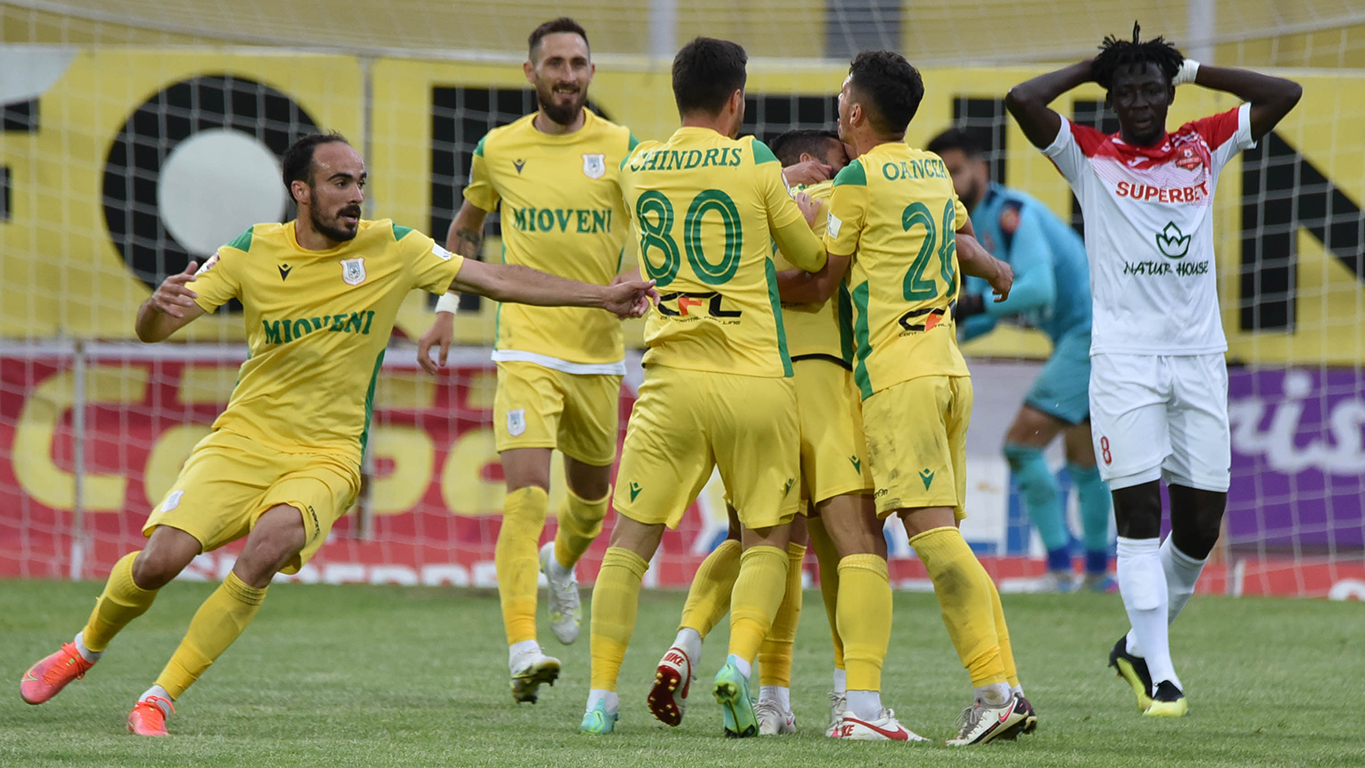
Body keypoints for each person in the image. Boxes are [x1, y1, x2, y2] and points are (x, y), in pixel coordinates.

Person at [18, 133, 655, 736]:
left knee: (265, 552)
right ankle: (83, 648)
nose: (356, 195)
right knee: (160, 563)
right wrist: (156, 308)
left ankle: (158, 698)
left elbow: (498, 277)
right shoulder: (253, 250)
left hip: (328, 455)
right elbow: (153, 332)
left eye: (361, 183)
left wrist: (600, 295)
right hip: (241, 440)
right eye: (340, 182)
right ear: (301, 191)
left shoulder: (393, 247)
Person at [1004, 22, 1301, 716]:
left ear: (1169, 96)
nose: (1138, 100)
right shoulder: (1088, 154)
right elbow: (1022, 99)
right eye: (1126, 90)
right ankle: (1162, 675)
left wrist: (1188, 67)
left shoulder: (1202, 143)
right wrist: (1094, 66)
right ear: (1109, 102)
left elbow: (1285, 92)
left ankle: (1138, 645)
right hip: (1125, 361)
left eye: (1151, 88)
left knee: (1199, 528)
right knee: (1137, 516)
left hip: (1200, 359)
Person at [578, 37, 828, 738]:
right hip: (754, 380)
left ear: (677, 94)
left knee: (628, 545)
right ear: (737, 100)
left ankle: (600, 698)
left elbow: (701, 186)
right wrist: (803, 204)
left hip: (669, 384)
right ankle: (739, 666)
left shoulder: (637, 165)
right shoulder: (753, 160)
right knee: (767, 540)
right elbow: (808, 259)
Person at [781, 51, 1033, 745]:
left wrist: (741, 291)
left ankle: (995, 692)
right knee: (943, 531)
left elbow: (820, 281)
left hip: (898, 377)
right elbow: (960, 240)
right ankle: (1005, 686)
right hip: (949, 369)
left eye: (841, 99)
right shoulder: (927, 167)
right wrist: (995, 267)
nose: (838, 109)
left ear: (856, 112)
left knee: (935, 538)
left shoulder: (858, 180)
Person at [416, 17, 639, 704]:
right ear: (531, 72)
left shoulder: (623, 149)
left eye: (578, 63)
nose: (567, 75)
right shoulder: (497, 149)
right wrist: (448, 310)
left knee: (591, 506)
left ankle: (561, 566)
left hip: (599, 355)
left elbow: (663, 221)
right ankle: (522, 648)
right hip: (523, 347)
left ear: (591, 74)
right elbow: (465, 231)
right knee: (526, 497)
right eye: (555, 64)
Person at [645, 128, 876, 738]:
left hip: (756, 383)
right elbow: (821, 280)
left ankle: (749, 683)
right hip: (823, 385)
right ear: (806, 164)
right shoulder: (825, 207)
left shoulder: (744, 217)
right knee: (847, 545)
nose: (844, 174)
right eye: (837, 165)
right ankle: (850, 699)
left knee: (763, 543)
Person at [927, 127, 1114, 593]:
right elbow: (986, 315)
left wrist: (974, 305)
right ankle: (1096, 575)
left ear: (980, 169)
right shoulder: (975, 224)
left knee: (1021, 446)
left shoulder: (1010, 214)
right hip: (1090, 338)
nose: (949, 182)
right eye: (941, 174)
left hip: (1089, 335)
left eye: (955, 171)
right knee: (1084, 458)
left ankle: (1058, 571)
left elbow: (1038, 289)